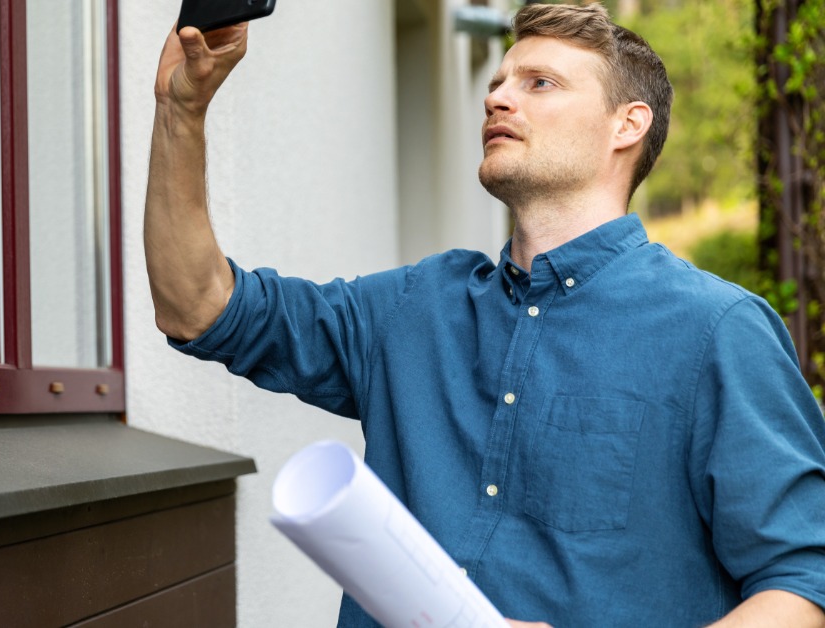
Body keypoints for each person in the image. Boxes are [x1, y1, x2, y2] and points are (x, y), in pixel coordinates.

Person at [144, 3, 825, 626]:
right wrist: (181, 111)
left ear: (628, 124)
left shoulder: (716, 330)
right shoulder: (413, 307)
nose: (497, 96)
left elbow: (802, 582)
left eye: (540, 83)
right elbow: (199, 306)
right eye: (498, 82)